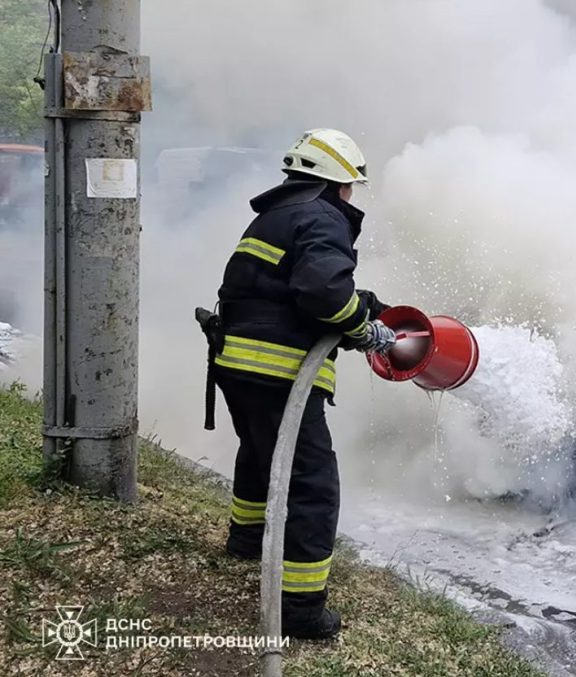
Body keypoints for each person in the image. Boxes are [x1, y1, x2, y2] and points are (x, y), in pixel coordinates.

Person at [210, 128, 396, 639]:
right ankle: (301, 610)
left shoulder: (275, 215)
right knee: (312, 485)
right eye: (351, 185)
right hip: (279, 371)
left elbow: (281, 286)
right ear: (338, 182)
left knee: (258, 452)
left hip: (237, 364)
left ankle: (246, 542)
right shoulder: (322, 216)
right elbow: (321, 290)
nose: (352, 196)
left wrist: (366, 304)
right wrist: (364, 330)